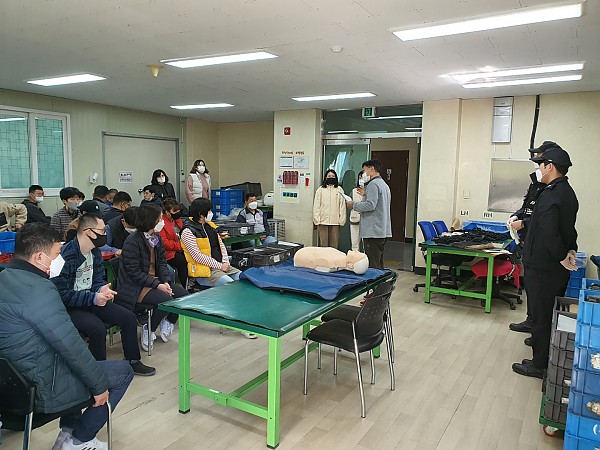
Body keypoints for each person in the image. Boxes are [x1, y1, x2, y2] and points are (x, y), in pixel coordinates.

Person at [0, 223, 133, 450]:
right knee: (122, 372)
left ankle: (69, 431)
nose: (58, 260)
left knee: (75, 365)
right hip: (39, 388)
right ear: (39, 257)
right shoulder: (40, 289)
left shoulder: (5, 278)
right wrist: (99, 386)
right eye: (56, 254)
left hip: (11, 383)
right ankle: (79, 440)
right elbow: (71, 345)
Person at [52, 214, 155, 376]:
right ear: (89, 232)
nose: (105, 234)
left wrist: (101, 289)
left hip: (92, 299)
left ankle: (133, 361)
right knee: (97, 329)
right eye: (101, 231)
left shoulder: (94, 252)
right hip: (71, 306)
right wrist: (94, 297)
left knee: (128, 317)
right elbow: (63, 295)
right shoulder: (65, 256)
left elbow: (98, 279)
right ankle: (97, 372)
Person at [512, 144, 578, 379]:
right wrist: (570, 250)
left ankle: (539, 365)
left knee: (541, 316)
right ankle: (543, 356)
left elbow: (550, 232)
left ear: (550, 166)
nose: (538, 168)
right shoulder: (566, 192)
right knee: (546, 314)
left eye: (541, 164)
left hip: (544, 267)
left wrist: (561, 256)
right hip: (550, 267)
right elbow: (569, 229)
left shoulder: (551, 195)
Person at [180, 198, 255, 339]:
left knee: (244, 281)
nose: (211, 213)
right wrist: (220, 266)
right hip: (203, 271)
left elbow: (222, 247)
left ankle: (244, 316)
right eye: (208, 210)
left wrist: (225, 263)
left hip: (221, 266)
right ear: (200, 213)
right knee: (231, 286)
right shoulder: (188, 231)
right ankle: (239, 323)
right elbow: (197, 256)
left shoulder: (211, 226)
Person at [116, 204, 186, 351]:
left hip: (154, 282)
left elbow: (162, 264)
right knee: (166, 300)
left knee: (183, 296)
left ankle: (168, 320)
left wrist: (165, 282)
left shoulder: (156, 238)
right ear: (150, 220)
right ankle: (149, 328)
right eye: (159, 219)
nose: (162, 221)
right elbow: (134, 273)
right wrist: (158, 285)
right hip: (135, 286)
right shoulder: (132, 241)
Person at [508, 142, 554, 334]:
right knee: (532, 286)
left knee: (539, 289)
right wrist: (516, 216)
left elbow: (543, 217)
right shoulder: (536, 183)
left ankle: (538, 328)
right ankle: (531, 320)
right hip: (528, 240)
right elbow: (528, 206)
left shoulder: (552, 188)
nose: (537, 163)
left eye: (540, 159)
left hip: (540, 244)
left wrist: (525, 223)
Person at [346, 159, 392, 269]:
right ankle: (381, 280)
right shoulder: (384, 184)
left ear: (372, 169)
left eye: (365, 170)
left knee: (373, 265)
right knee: (379, 263)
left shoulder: (373, 184)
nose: (364, 174)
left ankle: (375, 281)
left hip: (373, 231)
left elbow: (370, 205)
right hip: (381, 230)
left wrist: (353, 205)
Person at [313, 169, 346, 249]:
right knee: (323, 244)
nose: (331, 177)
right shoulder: (320, 190)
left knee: (334, 244)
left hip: (335, 222)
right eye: (329, 176)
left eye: (333, 176)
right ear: (325, 177)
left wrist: (342, 220)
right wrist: (316, 219)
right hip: (322, 221)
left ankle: (334, 257)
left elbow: (342, 206)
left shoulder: (339, 190)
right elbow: (316, 205)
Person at [158, 199, 188, 287]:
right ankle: (185, 285)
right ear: (167, 212)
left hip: (180, 247)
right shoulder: (161, 223)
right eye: (175, 212)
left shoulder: (177, 220)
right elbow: (164, 242)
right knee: (182, 261)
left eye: (178, 211)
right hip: (168, 252)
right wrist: (180, 246)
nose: (177, 213)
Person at [349, 171, 364, 252]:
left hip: (366, 220)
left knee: (366, 245)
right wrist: (349, 204)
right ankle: (355, 258)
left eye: (363, 178)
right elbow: (349, 205)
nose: (361, 180)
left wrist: (364, 195)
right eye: (360, 178)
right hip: (355, 219)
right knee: (354, 245)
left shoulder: (371, 190)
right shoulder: (354, 191)